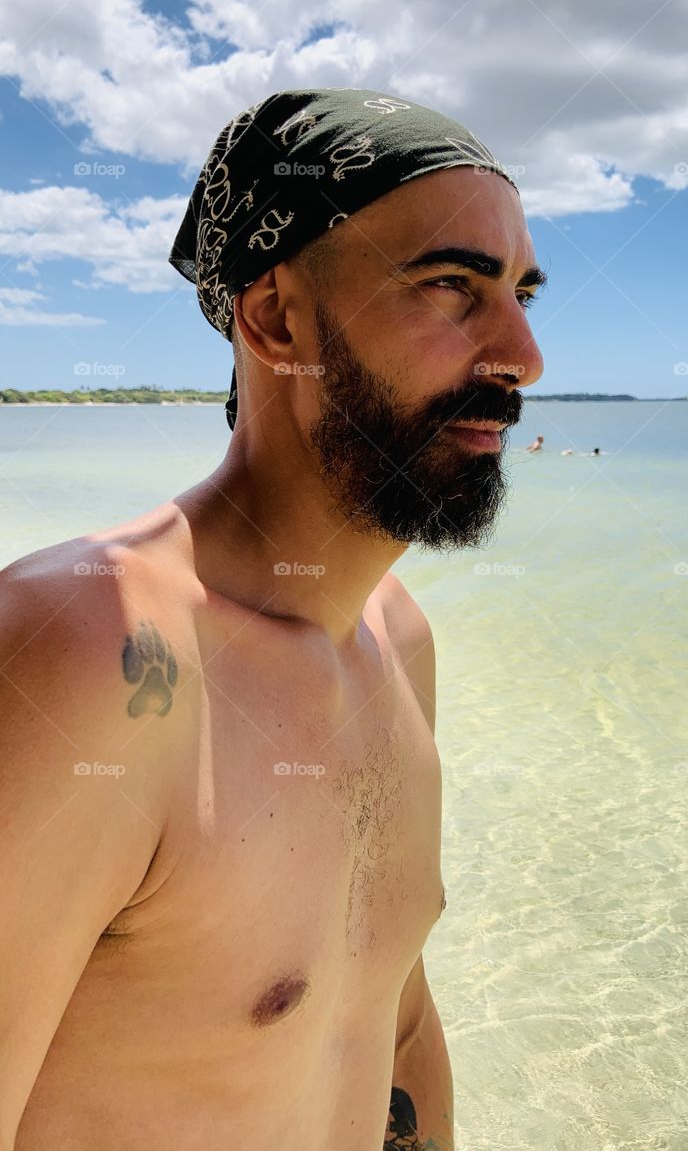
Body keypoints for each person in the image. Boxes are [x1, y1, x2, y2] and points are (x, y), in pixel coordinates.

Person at [0, 88, 545, 1150]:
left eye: (522, 292)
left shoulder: (395, 639)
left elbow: (391, 1027)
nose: (522, 354)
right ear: (276, 317)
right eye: (451, 285)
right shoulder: (90, 657)